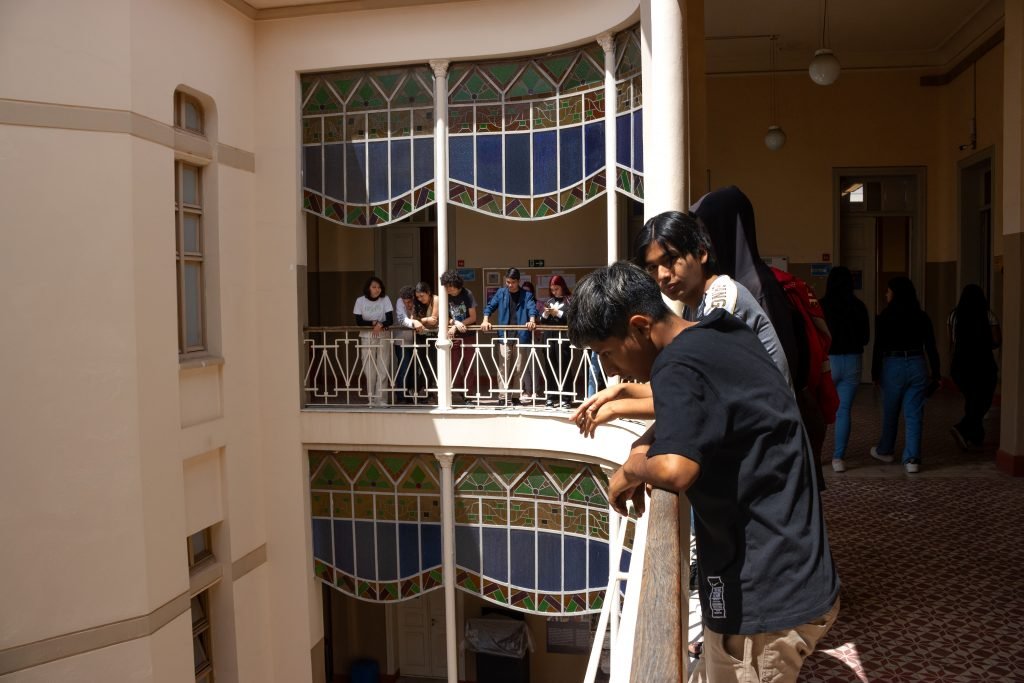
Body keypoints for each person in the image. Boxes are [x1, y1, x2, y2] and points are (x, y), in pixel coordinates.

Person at [567, 262, 840, 683]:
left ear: (639, 326)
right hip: (796, 571)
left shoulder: (677, 367)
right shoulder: (719, 332)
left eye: (606, 352)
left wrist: (631, 468)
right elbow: (699, 403)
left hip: (764, 599)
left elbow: (676, 470)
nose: (608, 368)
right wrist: (642, 430)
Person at [691, 186, 831, 482]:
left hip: (769, 447)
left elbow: (777, 371)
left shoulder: (756, 288)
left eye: (704, 230)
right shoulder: (723, 286)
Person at [870, 276, 941, 473]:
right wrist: (936, 373)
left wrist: (874, 372)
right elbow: (931, 347)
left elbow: (879, 347)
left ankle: (885, 450)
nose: (886, 294)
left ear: (895, 293)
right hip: (918, 363)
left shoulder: (885, 316)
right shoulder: (922, 316)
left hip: (893, 365)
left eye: (888, 291)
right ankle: (912, 459)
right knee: (914, 413)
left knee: (891, 411)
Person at [821, 266, 870, 472]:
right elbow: (866, 339)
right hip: (852, 362)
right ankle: (838, 458)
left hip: (827, 362)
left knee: (821, 410)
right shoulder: (859, 306)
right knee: (844, 411)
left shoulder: (822, 306)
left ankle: (815, 455)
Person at [948, 284, 1001, 450]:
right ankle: (963, 428)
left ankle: (975, 436)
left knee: (972, 400)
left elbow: (951, 342)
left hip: (960, 364)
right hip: (982, 364)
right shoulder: (988, 315)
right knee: (982, 400)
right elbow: (997, 341)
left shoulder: (954, 316)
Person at [479, 268, 538, 405]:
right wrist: (485, 320)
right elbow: (490, 306)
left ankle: (516, 396)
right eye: (507, 282)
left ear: (518, 282)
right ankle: (502, 397)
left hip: (521, 336)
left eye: (512, 282)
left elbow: (532, 308)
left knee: (519, 368)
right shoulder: (501, 293)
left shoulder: (526, 295)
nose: (509, 285)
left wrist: (532, 320)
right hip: (504, 336)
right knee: (503, 368)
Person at [353, 276, 394, 407]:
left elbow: (390, 319)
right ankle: (371, 399)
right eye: (374, 287)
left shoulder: (385, 299)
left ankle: (381, 400)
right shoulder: (360, 301)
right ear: (368, 288)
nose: (377, 289)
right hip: (367, 337)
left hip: (383, 336)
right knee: (369, 368)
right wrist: (373, 323)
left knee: (383, 366)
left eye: (379, 287)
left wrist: (380, 325)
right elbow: (359, 321)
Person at [440, 270, 478, 403]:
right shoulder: (445, 296)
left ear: (457, 284)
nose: (448, 289)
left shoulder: (467, 294)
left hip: (468, 335)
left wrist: (457, 325)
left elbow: (473, 317)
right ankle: (457, 393)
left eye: (450, 286)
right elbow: (445, 317)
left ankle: (469, 396)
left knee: (468, 365)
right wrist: (455, 323)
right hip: (454, 335)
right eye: (446, 286)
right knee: (453, 366)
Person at [539, 274, 573, 408]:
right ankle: (551, 397)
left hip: (563, 339)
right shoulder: (549, 301)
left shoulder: (569, 300)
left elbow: (570, 317)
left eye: (556, 289)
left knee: (564, 367)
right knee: (550, 368)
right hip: (549, 339)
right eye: (552, 289)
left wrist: (557, 313)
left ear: (562, 287)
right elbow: (542, 320)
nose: (554, 292)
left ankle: (566, 398)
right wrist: (546, 313)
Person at [409, 281, 440, 400]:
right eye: (417, 296)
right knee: (421, 366)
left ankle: (432, 392)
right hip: (421, 337)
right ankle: (423, 392)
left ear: (428, 292)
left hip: (434, 337)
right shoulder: (416, 303)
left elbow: (434, 319)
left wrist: (421, 320)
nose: (420, 299)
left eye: (422, 295)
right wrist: (425, 320)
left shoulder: (435, 299)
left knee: (433, 365)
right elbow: (413, 320)